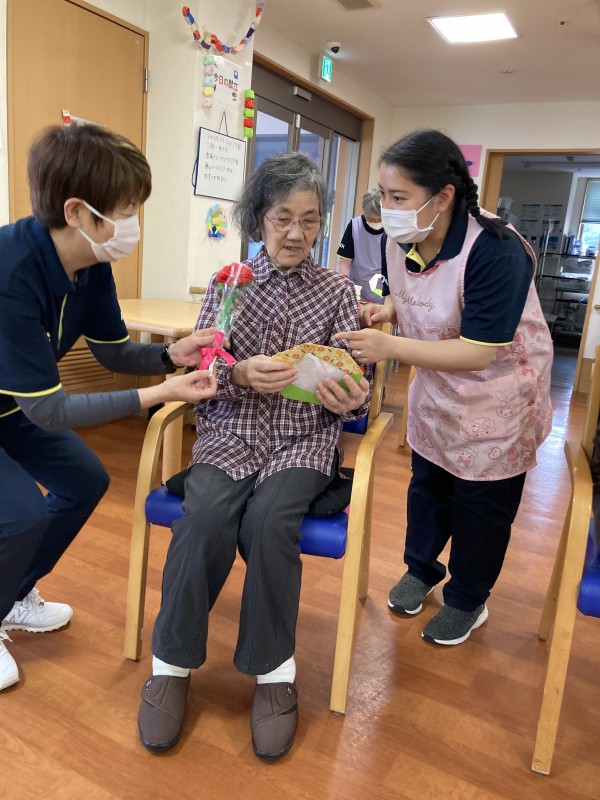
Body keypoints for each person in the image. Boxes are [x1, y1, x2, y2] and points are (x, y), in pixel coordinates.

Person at [137, 151, 370, 760]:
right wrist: (238, 372)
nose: (295, 232)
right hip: (230, 433)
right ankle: (170, 665)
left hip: (302, 440)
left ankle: (274, 673)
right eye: (281, 217)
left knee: (269, 523)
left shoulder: (337, 292)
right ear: (258, 218)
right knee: (204, 518)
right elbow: (203, 367)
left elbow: (355, 382)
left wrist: (352, 394)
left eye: (310, 219)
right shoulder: (229, 283)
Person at [0, 123, 217, 692]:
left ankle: (12, 594)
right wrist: (162, 393)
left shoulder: (91, 263)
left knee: (84, 481)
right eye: (125, 211)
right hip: (25, 406)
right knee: (19, 514)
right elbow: (49, 412)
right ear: (77, 211)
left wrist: (170, 356)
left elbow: (114, 351)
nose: (133, 224)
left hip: (13, 406)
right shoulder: (10, 272)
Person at [338, 128, 553, 646]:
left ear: (443, 196)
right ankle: (421, 568)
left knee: (481, 507)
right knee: (427, 488)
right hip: (437, 395)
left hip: (496, 400)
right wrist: (387, 312)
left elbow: (478, 351)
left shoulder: (496, 251)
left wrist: (389, 346)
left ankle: (467, 598)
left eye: (398, 197)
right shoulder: (402, 238)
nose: (386, 210)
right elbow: (413, 293)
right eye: (384, 195)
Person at [336, 187, 387, 304]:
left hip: (384, 294)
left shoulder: (391, 228)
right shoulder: (354, 226)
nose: (376, 222)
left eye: (379, 219)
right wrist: (345, 286)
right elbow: (344, 262)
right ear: (364, 212)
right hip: (359, 293)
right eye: (371, 219)